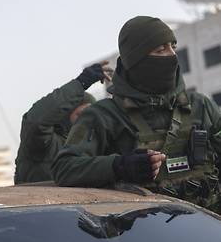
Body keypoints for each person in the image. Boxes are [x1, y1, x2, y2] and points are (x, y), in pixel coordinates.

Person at [52, 16, 221, 212]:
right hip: (143, 236)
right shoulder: (104, 116)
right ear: (137, 61)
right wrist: (119, 166)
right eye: (160, 50)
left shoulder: (200, 106)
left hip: (209, 231)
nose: (172, 55)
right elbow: (64, 169)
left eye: (173, 46)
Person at [14, 61, 111, 184]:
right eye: (81, 114)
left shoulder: (91, 147)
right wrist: (82, 83)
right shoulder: (45, 144)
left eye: (91, 115)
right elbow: (36, 122)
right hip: (38, 202)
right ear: (65, 115)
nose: (87, 120)